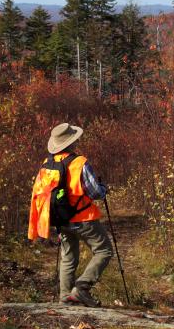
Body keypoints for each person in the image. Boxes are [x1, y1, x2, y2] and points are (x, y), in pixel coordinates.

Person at [29, 122, 113, 307]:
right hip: (84, 219)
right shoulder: (79, 163)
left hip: (61, 219)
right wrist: (104, 189)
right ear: (72, 142)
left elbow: (40, 193)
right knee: (104, 250)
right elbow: (94, 192)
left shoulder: (46, 164)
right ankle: (82, 288)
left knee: (68, 256)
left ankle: (65, 297)